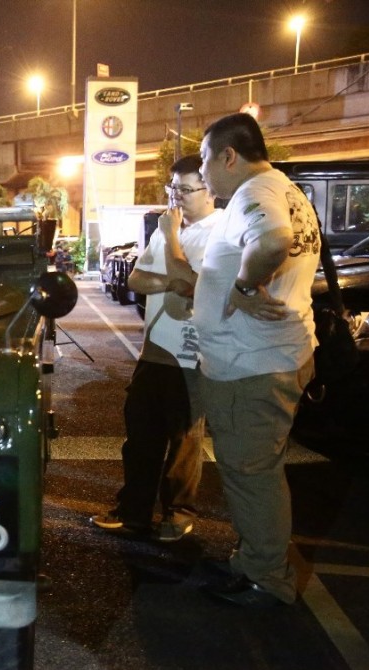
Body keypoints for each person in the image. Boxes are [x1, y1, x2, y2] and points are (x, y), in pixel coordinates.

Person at [189, 113, 320, 607]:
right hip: (268, 358)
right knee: (258, 469)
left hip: (253, 365)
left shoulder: (254, 194)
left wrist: (243, 287)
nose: (203, 173)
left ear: (229, 156)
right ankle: (254, 562)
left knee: (252, 475)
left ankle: (267, 579)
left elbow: (271, 241)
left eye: (205, 160)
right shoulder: (283, 188)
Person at [90, 154, 220, 542]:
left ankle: (178, 513)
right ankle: (134, 513)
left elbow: (193, 284)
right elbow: (137, 278)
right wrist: (171, 277)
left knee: (183, 439)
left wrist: (173, 253)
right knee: (140, 435)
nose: (176, 196)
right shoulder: (168, 228)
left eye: (185, 188)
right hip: (154, 347)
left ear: (209, 189)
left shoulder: (220, 231)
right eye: (173, 188)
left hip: (192, 352)